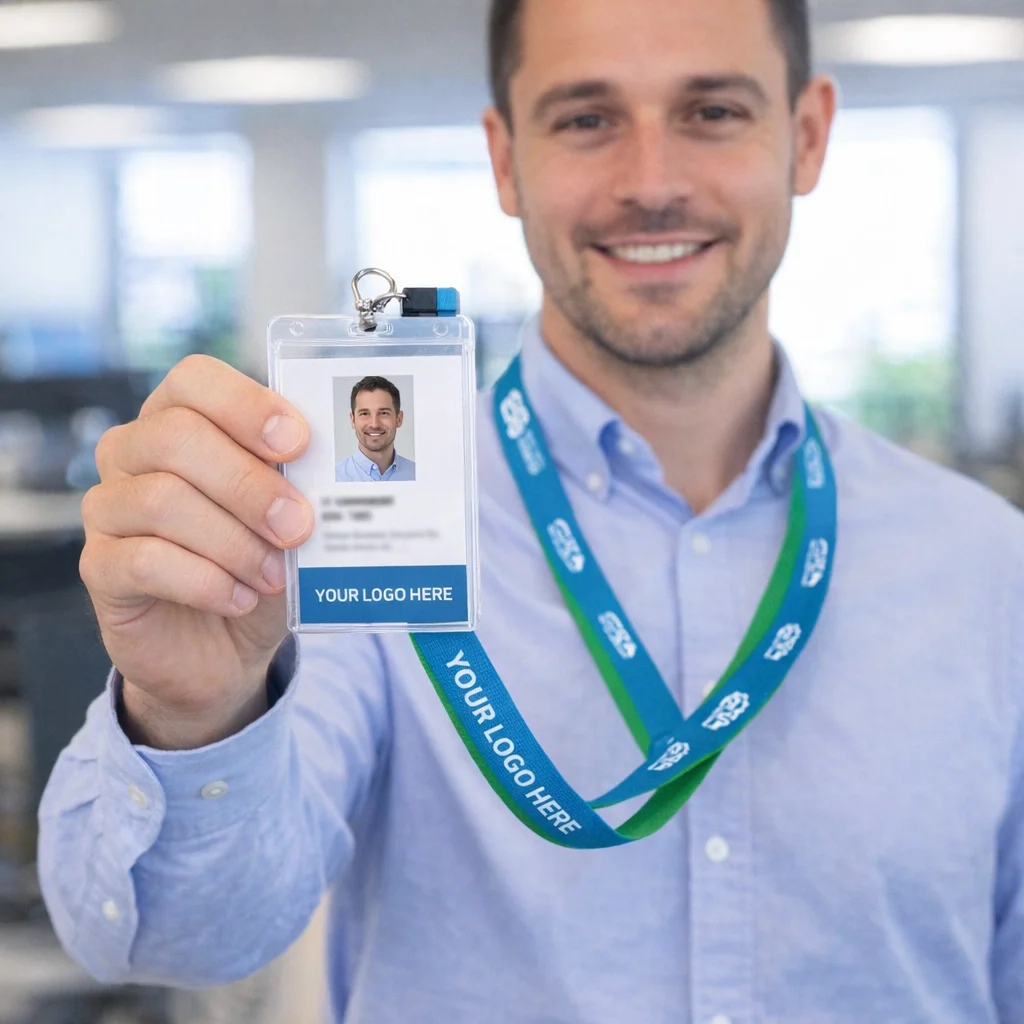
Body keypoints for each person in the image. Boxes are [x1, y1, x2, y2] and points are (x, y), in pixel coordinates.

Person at [37, 0, 1024, 1021]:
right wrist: (193, 717)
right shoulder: (346, 529)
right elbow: (180, 939)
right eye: (587, 118)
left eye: (713, 112)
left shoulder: (988, 566)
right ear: (505, 159)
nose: (651, 182)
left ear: (806, 136)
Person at [334, 376, 416, 483]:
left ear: (399, 419)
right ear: (353, 420)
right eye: (364, 414)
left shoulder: (419, 475)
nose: (374, 424)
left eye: (383, 413)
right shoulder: (334, 478)